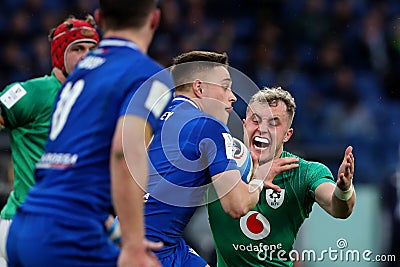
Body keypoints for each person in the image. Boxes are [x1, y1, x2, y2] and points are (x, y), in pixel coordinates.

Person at [6, 0, 174, 266]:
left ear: (100, 18)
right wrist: (132, 243)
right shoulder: (149, 75)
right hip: (68, 235)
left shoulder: (76, 75)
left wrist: (114, 230)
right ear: (154, 19)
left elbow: (72, 165)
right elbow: (124, 152)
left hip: (24, 225)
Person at [207, 86, 356, 267]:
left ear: (287, 135)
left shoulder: (305, 172)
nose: (262, 129)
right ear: (244, 125)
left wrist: (344, 189)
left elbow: (339, 208)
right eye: (256, 120)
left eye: (274, 123)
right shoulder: (220, 166)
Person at [144, 50, 266, 267]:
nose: (233, 97)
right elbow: (236, 205)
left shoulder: (153, 117)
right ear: (199, 88)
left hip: (158, 241)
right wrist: (258, 179)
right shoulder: (207, 126)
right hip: (150, 252)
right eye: (225, 86)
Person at [0, 15, 99, 266]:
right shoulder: (33, 93)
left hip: (72, 227)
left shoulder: (98, 101)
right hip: (26, 224)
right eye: (77, 49)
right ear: (58, 56)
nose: (87, 55)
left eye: (92, 49)